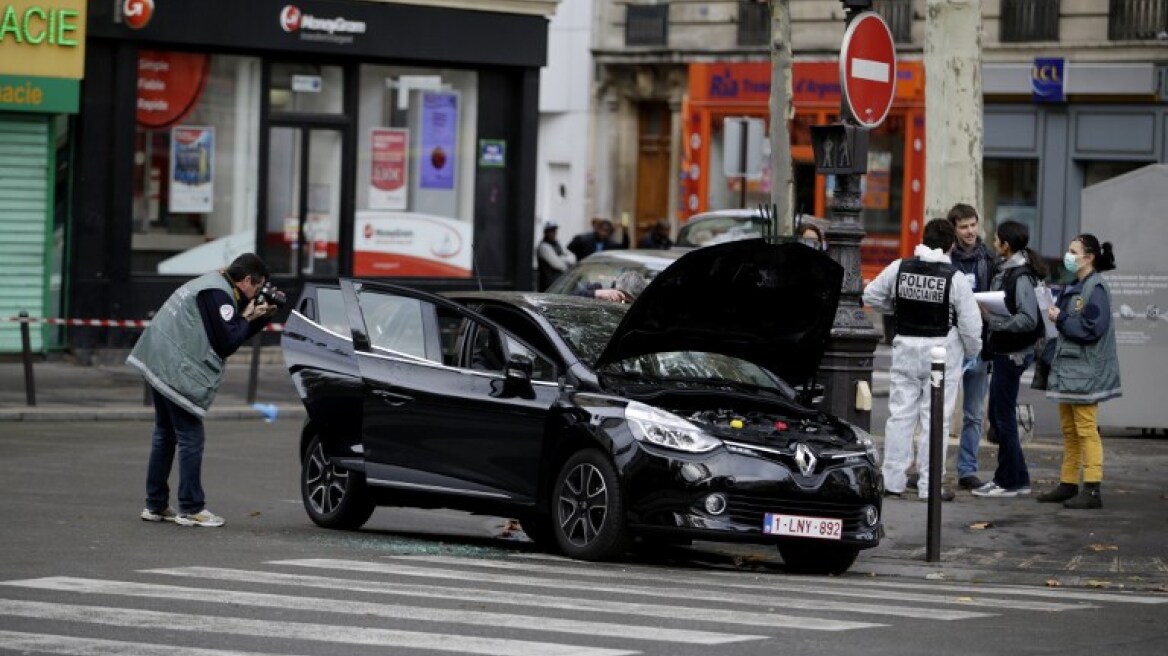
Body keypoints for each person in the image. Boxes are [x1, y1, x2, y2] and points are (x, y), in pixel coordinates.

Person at [128, 253, 278, 527]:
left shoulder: (211, 282)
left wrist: (256, 318)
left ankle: (155, 505)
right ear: (246, 280)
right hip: (175, 367)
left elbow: (228, 332)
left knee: (165, 433)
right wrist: (250, 317)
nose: (256, 294)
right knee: (190, 437)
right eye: (257, 288)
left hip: (157, 358)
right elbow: (228, 341)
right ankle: (191, 508)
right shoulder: (219, 295)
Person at [863, 219, 982, 501]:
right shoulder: (954, 278)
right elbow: (971, 327)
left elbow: (871, 295)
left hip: (905, 348)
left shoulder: (900, 267)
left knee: (900, 417)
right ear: (950, 244)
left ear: (923, 239)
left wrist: (895, 306)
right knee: (935, 421)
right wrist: (972, 353)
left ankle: (892, 481)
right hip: (942, 354)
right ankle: (929, 487)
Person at [1038, 234, 1120, 509]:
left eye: (1073, 251)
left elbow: (1091, 329)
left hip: (1085, 372)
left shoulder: (1095, 288)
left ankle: (1093, 489)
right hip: (1069, 370)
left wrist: (1060, 318)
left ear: (1089, 257)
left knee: (1086, 429)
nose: (1068, 255)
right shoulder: (1076, 285)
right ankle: (1068, 483)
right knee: (1070, 430)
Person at [972, 221, 1046, 498]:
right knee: (1000, 416)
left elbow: (1028, 319)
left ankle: (1007, 481)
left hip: (1012, 354)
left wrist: (992, 319)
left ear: (1006, 244)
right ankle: (1018, 477)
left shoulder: (1020, 275)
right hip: (1005, 352)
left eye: (996, 239)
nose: (993, 243)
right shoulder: (1011, 269)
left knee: (1003, 419)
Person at [947, 203, 998, 490]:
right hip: (950, 344)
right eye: (963, 226)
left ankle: (967, 469)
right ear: (954, 228)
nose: (969, 231)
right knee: (938, 411)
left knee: (974, 413)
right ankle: (934, 466)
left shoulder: (989, 259)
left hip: (979, 346)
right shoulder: (945, 258)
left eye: (973, 225)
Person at [536, 221, 576, 291]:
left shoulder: (557, 244)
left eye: (555, 230)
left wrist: (561, 258)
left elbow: (573, 257)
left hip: (558, 283)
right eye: (551, 231)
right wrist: (565, 260)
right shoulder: (543, 246)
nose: (554, 233)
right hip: (549, 285)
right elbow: (559, 265)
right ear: (546, 232)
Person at [571, 269, 647, 303]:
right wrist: (595, 293)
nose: (621, 303)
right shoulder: (598, 288)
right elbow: (566, 298)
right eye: (619, 297)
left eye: (626, 302)